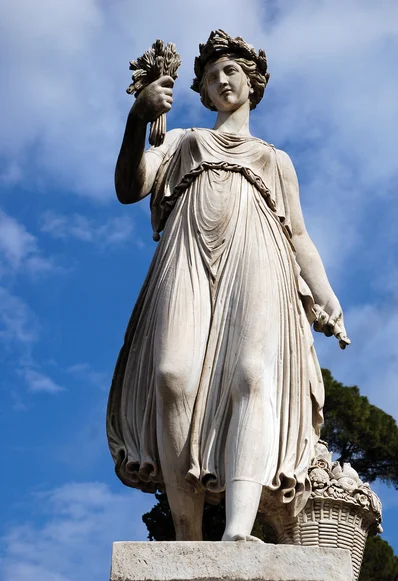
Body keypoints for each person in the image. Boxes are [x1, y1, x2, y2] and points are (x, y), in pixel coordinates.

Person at [107, 30, 350, 542]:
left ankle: (238, 530)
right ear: (200, 89)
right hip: (188, 248)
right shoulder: (180, 140)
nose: (221, 80)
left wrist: (326, 296)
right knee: (172, 375)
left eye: (231, 71)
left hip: (258, 250)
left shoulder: (275, 159)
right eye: (212, 74)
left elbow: (299, 234)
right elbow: (130, 187)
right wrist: (136, 119)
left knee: (251, 376)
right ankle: (187, 534)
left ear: (252, 81)